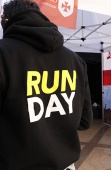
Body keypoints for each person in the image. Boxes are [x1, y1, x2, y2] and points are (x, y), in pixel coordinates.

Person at [0, 0, 93, 169]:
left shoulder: (3, 55)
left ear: (6, 21)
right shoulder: (75, 60)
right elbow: (84, 121)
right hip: (66, 165)